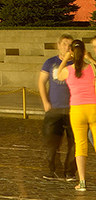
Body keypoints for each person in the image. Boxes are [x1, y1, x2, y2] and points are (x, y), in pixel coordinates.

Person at [58, 39, 96, 193]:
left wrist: (66, 59)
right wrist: (90, 58)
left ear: (72, 52)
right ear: (84, 51)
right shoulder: (91, 68)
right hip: (93, 108)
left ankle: (82, 182)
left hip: (77, 110)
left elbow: (58, 75)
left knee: (80, 146)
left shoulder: (68, 69)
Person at [38, 33, 76, 180]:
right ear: (59, 45)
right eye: (65, 43)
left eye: (70, 45)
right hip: (54, 109)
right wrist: (45, 103)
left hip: (73, 109)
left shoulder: (76, 64)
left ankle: (70, 172)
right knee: (51, 143)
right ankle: (53, 170)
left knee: (74, 144)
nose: (67, 47)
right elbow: (41, 82)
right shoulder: (50, 62)